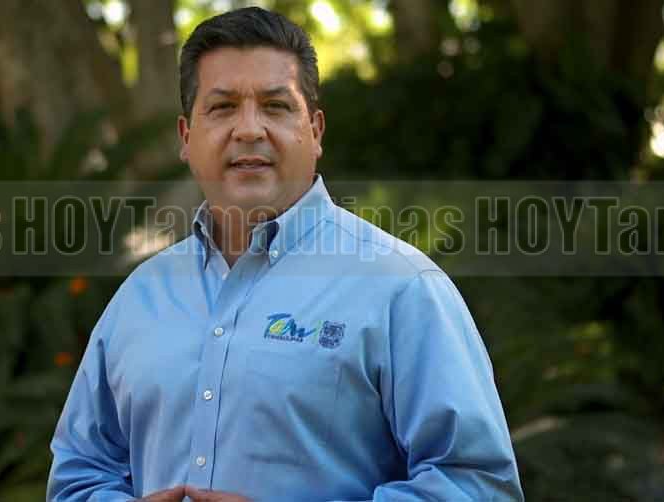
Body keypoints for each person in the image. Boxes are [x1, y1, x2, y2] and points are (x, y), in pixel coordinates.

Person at [47, 7, 523, 502]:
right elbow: (79, 476)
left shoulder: (402, 289)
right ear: (187, 138)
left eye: (275, 106)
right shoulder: (139, 298)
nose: (249, 129)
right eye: (223, 107)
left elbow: (477, 485)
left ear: (315, 131)